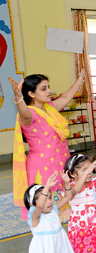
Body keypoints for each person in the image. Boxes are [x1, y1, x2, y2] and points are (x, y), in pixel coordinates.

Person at [11, 71, 86, 220]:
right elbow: (24, 113)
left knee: (66, 202)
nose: (49, 91)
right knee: (46, 207)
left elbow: (65, 98)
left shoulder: (50, 108)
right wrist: (19, 98)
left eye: (49, 87)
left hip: (61, 161)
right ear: (31, 94)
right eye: (43, 88)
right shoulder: (29, 114)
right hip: (42, 166)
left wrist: (79, 82)